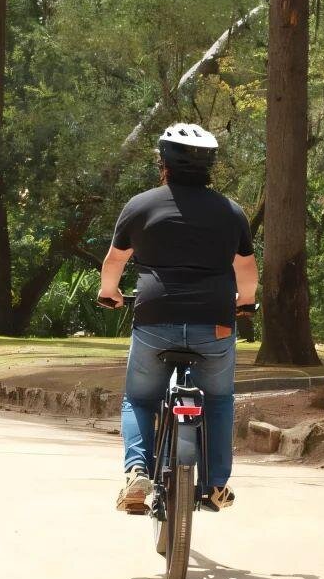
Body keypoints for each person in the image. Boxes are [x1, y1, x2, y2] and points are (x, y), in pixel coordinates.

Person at [97, 123, 258, 514]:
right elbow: (246, 269)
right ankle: (216, 484)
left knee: (139, 398)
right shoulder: (231, 212)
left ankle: (137, 471)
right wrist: (246, 302)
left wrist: (109, 293)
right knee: (218, 401)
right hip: (215, 321)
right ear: (209, 166)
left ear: (163, 163)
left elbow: (115, 262)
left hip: (155, 318)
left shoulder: (141, 206)